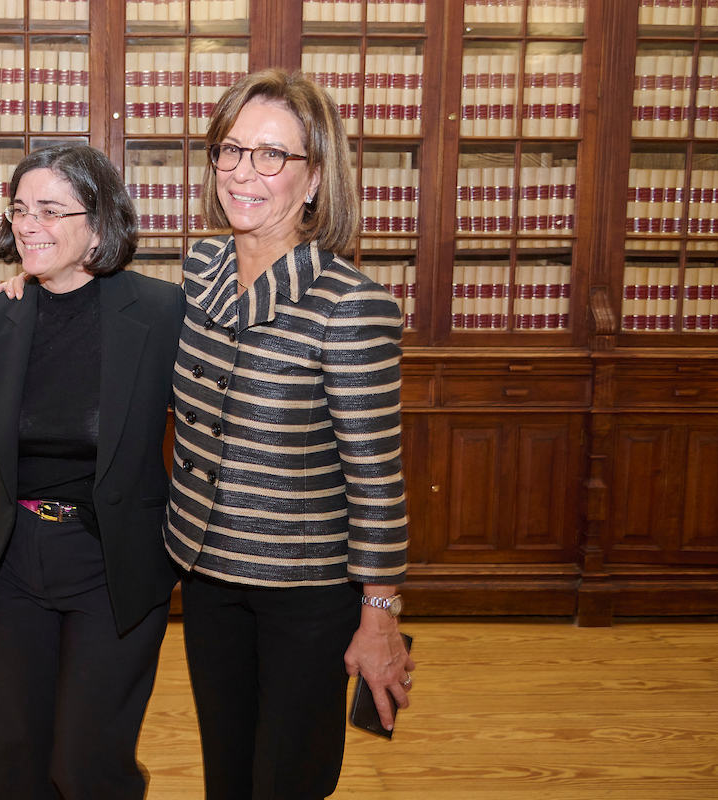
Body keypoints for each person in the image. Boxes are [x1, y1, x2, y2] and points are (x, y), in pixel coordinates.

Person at [165, 68, 414, 800]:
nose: (245, 172)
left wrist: (380, 617)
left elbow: (377, 476)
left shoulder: (351, 305)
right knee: (227, 776)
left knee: (288, 781)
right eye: (231, 150)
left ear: (313, 180)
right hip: (207, 577)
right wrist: (33, 283)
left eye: (272, 155)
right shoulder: (201, 267)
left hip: (304, 596)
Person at [0, 144, 185, 800]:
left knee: (88, 764)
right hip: (14, 563)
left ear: (99, 223)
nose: (28, 225)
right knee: (18, 762)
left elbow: (213, 432)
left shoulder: (161, 312)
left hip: (113, 564)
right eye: (19, 209)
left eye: (50, 210)